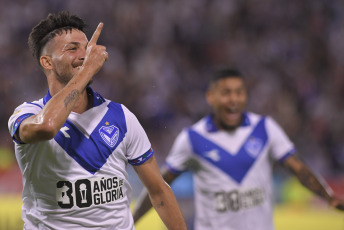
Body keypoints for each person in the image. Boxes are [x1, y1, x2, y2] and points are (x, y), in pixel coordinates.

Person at [8, 11, 187, 230]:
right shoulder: (26, 114)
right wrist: (87, 70)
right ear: (47, 62)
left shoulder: (121, 116)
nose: (84, 55)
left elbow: (159, 191)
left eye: (86, 48)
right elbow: (47, 126)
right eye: (72, 49)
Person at [133, 68, 344, 230]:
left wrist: (327, 196)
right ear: (210, 97)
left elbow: (298, 168)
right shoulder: (192, 139)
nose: (234, 100)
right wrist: (132, 220)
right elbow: (158, 186)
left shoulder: (265, 129)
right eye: (226, 93)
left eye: (239, 93)